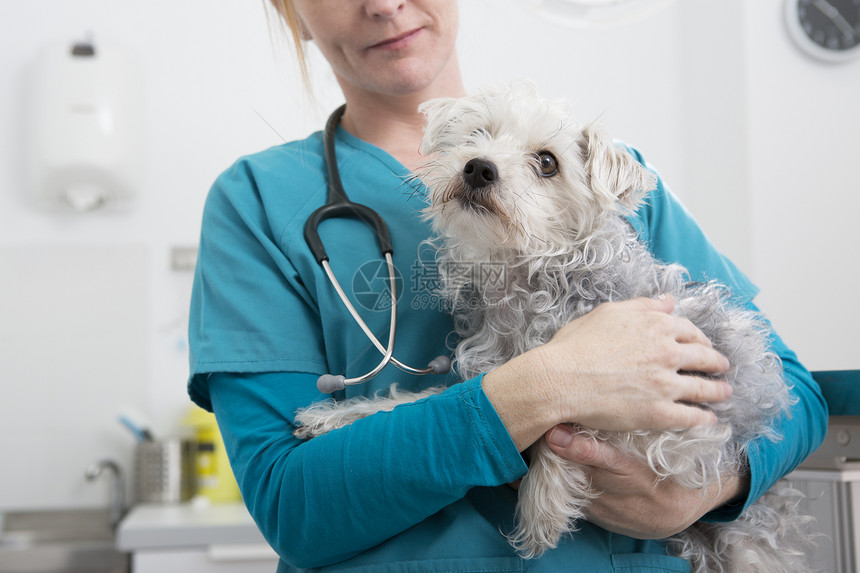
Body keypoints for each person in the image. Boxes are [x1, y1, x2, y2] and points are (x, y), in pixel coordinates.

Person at [187, 1, 827, 571]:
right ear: (290, 10)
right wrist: (549, 382)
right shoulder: (255, 203)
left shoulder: (607, 198)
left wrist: (707, 488)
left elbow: (793, 395)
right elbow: (293, 507)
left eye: (542, 163)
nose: (383, 5)